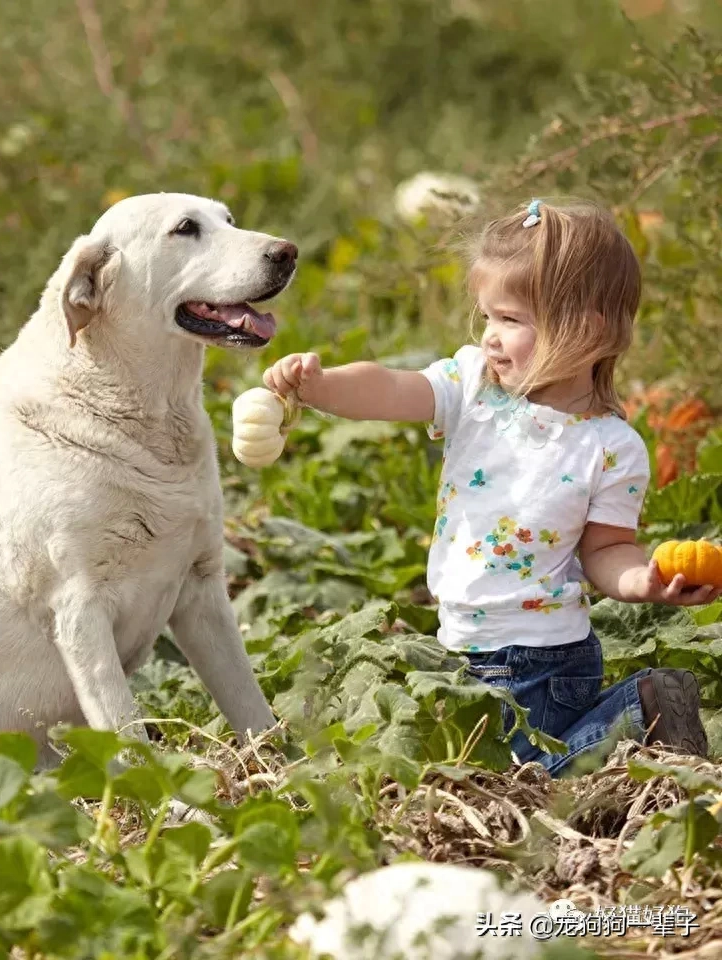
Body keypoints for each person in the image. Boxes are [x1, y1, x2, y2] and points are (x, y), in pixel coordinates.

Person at [262, 198, 721, 775]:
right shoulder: (472, 386)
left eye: (510, 320)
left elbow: (606, 551)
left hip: (544, 659)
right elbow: (390, 389)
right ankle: (628, 717)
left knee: (512, 779)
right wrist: (321, 386)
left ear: (588, 327)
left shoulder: (610, 445)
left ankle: (637, 710)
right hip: (461, 643)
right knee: (498, 768)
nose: (491, 338)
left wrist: (642, 580)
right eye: (487, 317)